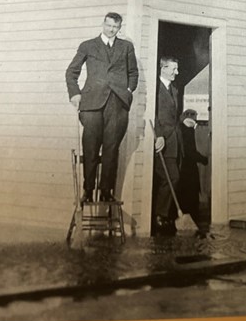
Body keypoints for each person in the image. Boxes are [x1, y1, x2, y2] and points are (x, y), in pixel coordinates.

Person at [65, 12, 139, 203]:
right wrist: (75, 93)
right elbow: (71, 72)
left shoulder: (126, 47)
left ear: (119, 28)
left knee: (111, 149)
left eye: (115, 27)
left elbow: (133, 72)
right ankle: (88, 190)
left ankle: (106, 190)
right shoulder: (88, 45)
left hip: (117, 104)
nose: (111, 29)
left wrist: (128, 91)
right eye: (108, 26)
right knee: (90, 148)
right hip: (92, 104)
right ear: (103, 24)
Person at [152, 56, 182, 235]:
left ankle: (164, 214)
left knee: (173, 177)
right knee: (171, 177)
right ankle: (159, 216)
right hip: (162, 140)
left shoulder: (174, 90)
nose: (176, 73)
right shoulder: (156, 89)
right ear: (163, 68)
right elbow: (153, 114)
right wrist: (160, 135)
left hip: (175, 140)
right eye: (174, 69)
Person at [178, 108, 209, 223]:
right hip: (189, 169)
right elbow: (190, 152)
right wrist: (203, 159)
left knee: (184, 194)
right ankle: (193, 219)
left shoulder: (181, 129)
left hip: (182, 167)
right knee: (192, 194)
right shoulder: (189, 130)